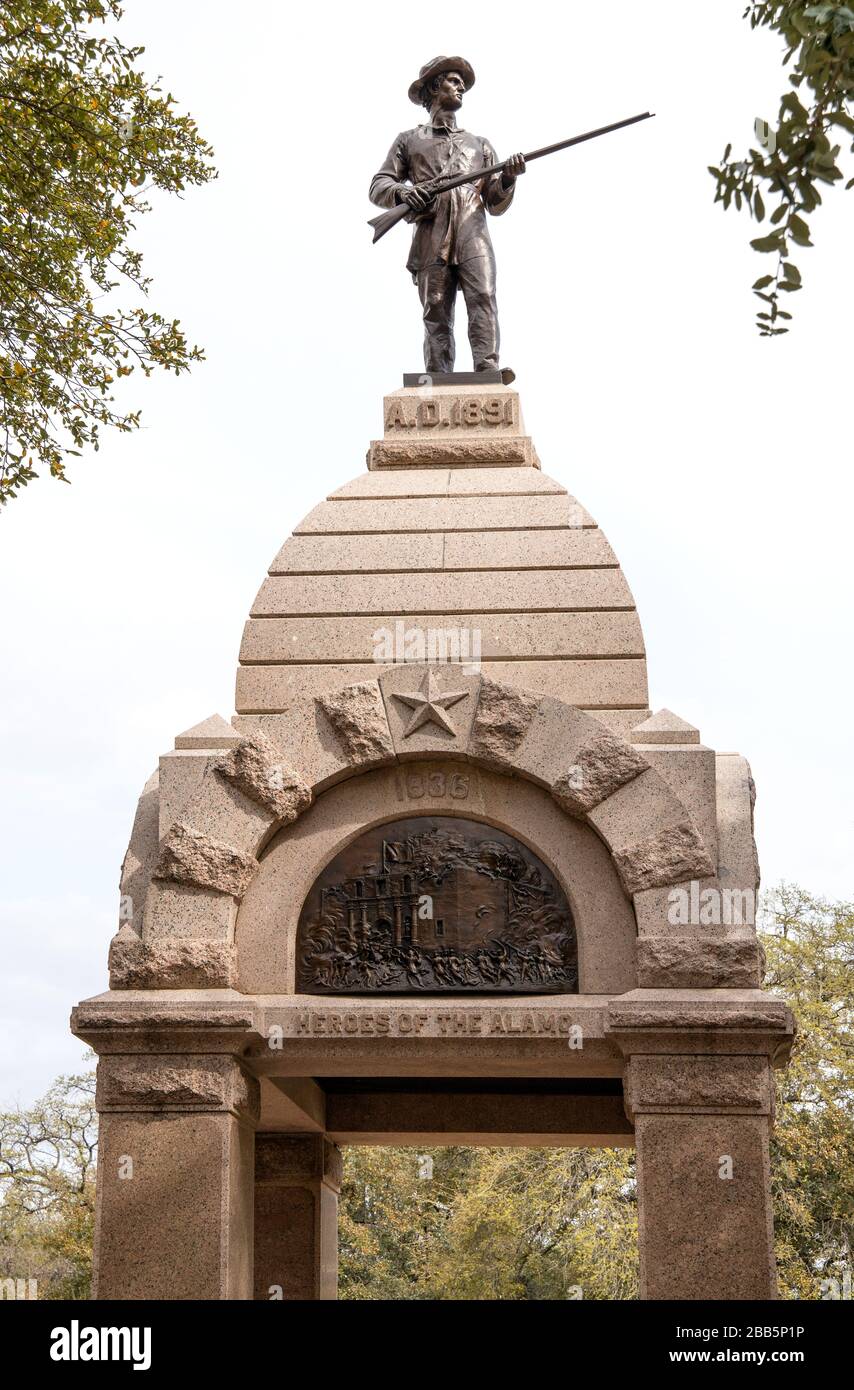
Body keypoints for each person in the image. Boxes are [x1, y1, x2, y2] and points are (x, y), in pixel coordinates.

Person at [369, 55, 525, 374]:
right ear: (434, 88)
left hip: (472, 232)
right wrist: (404, 192)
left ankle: (488, 368)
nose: (461, 88)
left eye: (462, 84)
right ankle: (438, 375)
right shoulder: (409, 140)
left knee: (483, 295)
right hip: (432, 232)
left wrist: (508, 178)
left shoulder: (479, 144)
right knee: (436, 309)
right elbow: (379, 185)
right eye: (454, 82)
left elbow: (495, 202)